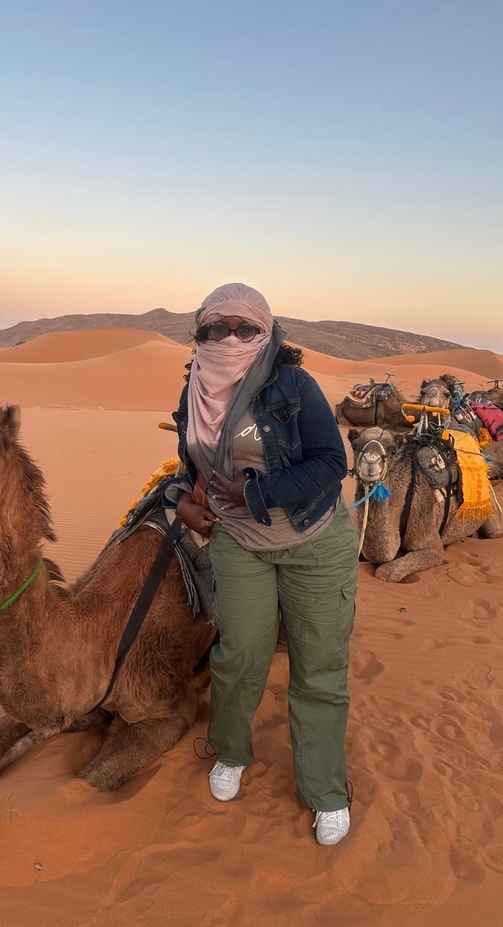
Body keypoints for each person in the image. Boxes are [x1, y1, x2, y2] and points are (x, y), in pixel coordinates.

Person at [165, 283, 358, 845]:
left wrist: (257, 494)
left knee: (319, 668)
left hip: (313, 541)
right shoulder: (193, 392)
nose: (227, 337)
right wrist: (181, 500)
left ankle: (324, 790)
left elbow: (330, 462)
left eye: (244, 328)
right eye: (214, 327)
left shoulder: (293, 385)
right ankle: (229, 753)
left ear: (267, 332)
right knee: (239, 655)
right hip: (238, 542)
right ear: (199, 334)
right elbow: (189, 465)